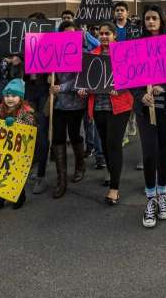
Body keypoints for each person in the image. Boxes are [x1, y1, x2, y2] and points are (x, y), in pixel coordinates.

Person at [134, 5, 166, 228]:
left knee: (163, 150)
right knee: (149, 152)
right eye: (147, 19)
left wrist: (164, 86)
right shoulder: (136, 46)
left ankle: (163, 194)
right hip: (145, 109)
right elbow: (129, 78)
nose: (150, 22)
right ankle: (150, 199)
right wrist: (140, 95)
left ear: (161, 20)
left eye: (154, 18)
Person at [84, 22, 133, 205]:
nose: (104, 36)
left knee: (113, 144)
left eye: (107, 33)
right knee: (104, 145)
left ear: (115, 36)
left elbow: (133, 78)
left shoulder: (123, 52)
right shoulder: (92, 55)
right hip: (98, 107)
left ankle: (114, 188)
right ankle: (113, 172)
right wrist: (84, 89)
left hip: (119, 107)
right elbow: (87, 80)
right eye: (101, 33)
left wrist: (119, 88)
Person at [0, 78, 35, 210]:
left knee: (16, 174)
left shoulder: (26, 110)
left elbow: (31, 125)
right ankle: (1, 196)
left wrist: (17, 123)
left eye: (14, 96)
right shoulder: (1, 108)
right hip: (3, 148)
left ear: (21, 97)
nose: (10, 99)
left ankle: (19, 196)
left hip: (18, 150)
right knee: (2, 171)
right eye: (7, 95)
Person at [50, 21, 88, 199]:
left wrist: (62, 87)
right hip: (57, 103)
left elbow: (82, 80)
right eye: (65, 33)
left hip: (76, 103)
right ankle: (61, 179)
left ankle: (80, 165)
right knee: (58, 138)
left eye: (72, 33)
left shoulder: (82, 54)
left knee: (74, 134)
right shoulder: (53, 52)